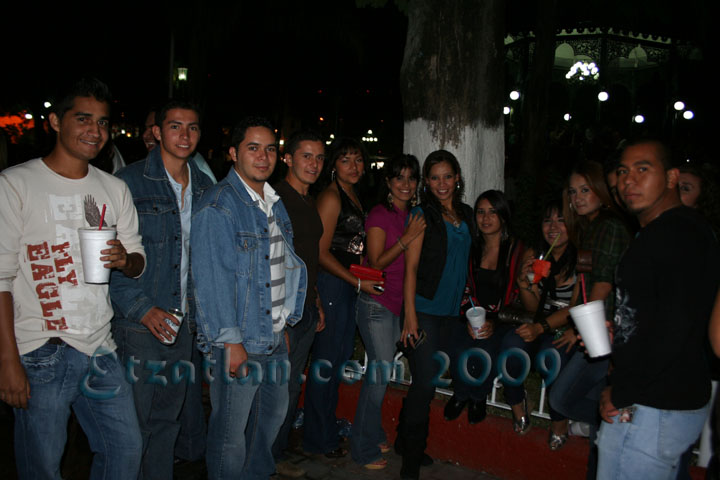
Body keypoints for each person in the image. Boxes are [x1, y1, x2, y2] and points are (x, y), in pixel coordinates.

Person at [0, 77, 145, 479]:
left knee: (126, 450)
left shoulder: (114, 188)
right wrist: (7, 359)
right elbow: (1, 278)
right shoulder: (15, 184)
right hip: (39, 349)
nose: (95, 130)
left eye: (103, 122)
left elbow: (139, 261)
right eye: (83, 119)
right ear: (55, 122)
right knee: (43, 467)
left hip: (99, 345)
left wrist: (125, 260)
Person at [191, 116, 307, 479]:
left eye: (270, 149)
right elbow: (210, 281)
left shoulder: (272, 202)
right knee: (231, 433)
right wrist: (230, 342)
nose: (263, 156)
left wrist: (283, 321)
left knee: (270, 419)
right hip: (239, 338)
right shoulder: (218, 205)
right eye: (253, 148)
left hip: (272, 334)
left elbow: (281, 267)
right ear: (233, 153)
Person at [596, 139, 720, 479]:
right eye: (623, 171)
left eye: (643, 169)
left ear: (671, 177)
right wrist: (622, 330)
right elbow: (665, 311)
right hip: (662, 398)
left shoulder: (676, 235)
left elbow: (674, 327)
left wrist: (622, 392)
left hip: (653, 404)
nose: (629, 180)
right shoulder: (673, 231)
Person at [109, 99, 214, 479]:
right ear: (157, 131)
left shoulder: (205, 187)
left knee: (168, 421)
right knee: (132, 427)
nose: (185, 135)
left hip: (183, 323)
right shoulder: (128, 182)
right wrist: (141, 309)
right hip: (140, 324)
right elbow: (109, 257)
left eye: (192, 127)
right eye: (175, 126)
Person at [548, 160, 631, 477]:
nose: (578, 198)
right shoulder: (590, 228)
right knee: (599, 426)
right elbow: (583, 286)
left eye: (585, 190)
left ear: (600, 191)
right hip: (596, 330)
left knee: (560, 398)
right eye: (573, 192)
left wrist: (580, 329)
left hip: (604, 333)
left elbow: (602, 285)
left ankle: (621, 422)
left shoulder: (609, 226)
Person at [302, 137, 383, 458]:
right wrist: (357, 281)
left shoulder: (353, 195)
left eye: (358, 160)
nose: (354, 166)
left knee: (337, 360)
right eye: (345, 159)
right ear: (333, 165)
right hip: (333, 285)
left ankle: (324, 429)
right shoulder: (332, 197)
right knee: (327, 361)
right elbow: (320, 253)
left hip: (347, 284)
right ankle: (318, 439)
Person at [397, 150, 474, 480]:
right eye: (434, 177)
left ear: (457, 178)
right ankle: (411, 460)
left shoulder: (467, 215)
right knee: (425, 384)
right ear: (426, 183)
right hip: (424, 310)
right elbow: (411, 268)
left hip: (452, 314)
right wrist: (410, 316)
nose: (442, 183)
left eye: (447, 176)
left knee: (447, 374)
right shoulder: (421, 214)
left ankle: (403, 440)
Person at [350, 154, 425, 469]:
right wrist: (406, 240)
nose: (406, 184)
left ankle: (373, 431)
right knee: (379, 376)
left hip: (397, 305)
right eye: (399, 178)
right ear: (388, 182)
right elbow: (377, 262)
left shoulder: (413, 216)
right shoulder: (381, 214)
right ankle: (361, 447)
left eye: (411, 178)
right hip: (375, 305)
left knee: (381, 375)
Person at [270, 130, 327, 478]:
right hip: (284, 310)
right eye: (306, 156)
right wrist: (278, 321)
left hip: (304, 306)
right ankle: (261, 458)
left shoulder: (307, 200)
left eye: (319, 157)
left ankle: (274, 455)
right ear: (288, 158)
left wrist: (315, 300)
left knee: (291, 386)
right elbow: (272, 262)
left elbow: (306, 258)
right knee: (276, 388)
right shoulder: (276, 200)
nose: (314, 164)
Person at [504, 198, 578, 449]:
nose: (553, 227)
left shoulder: (581, 258)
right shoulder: (536, 254)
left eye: (561, 220)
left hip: (566, 328)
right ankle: (518, 405)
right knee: (511, 345)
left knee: (552, 356)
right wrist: (524, 283)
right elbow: (533, 309)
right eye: (548, 221)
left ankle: (559, 418)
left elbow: (574, 309)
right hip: (538, 323)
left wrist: (539, 328)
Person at [445, 190, 520, 425]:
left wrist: (494, 322)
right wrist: (469, 317)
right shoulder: (472, 248)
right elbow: (463, 285)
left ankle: (478, 397)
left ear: (503, 216)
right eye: (480, 212)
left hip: (502, 319)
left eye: (492, 212)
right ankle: (460, 394)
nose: (486, 218)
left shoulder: (515, 251)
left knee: (484, 352)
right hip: (471, 313)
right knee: (457, 347)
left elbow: (517, 296)